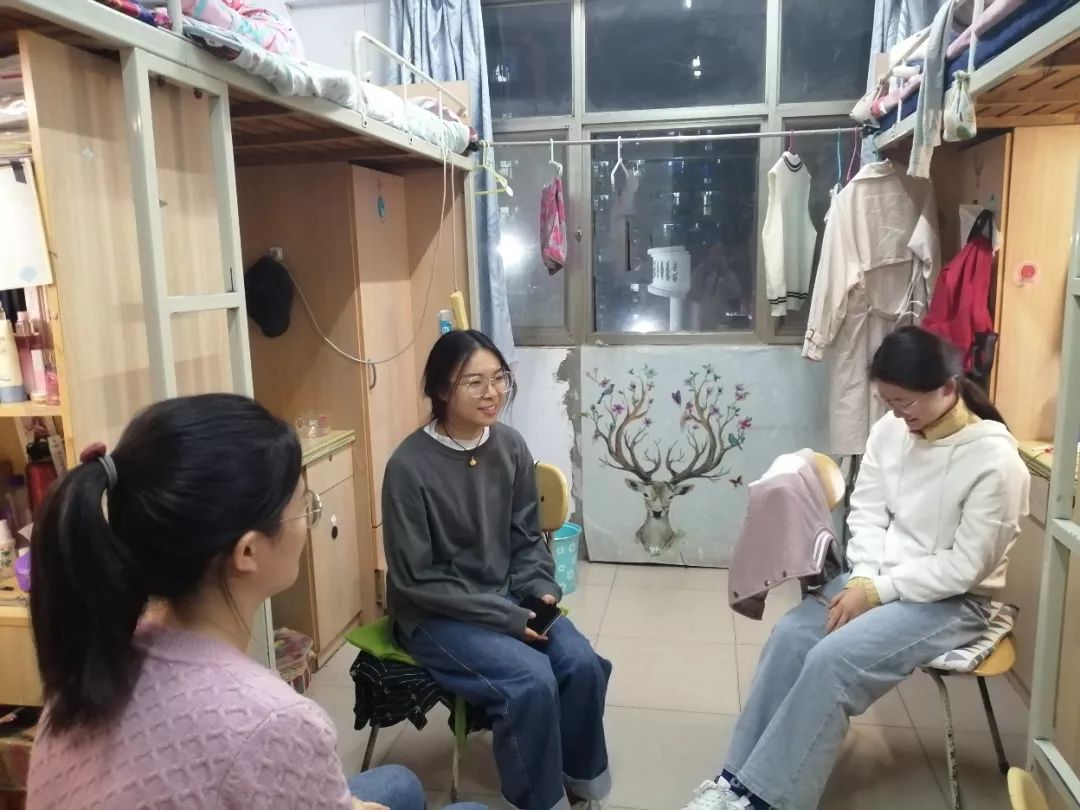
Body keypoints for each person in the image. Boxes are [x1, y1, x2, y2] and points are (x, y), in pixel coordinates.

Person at [26, 393, 486, 810]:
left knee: (399, 784)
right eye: (303, 507)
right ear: (247, 552)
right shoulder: (271, 722)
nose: (308, 523)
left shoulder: (89, 669)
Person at [681, 326, 1031, 810]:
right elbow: (867, 512)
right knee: (793, 637)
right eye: (889, 403)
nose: (898, 415)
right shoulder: (891, 430)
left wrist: (878, 591)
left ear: (948, 387)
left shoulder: (995, 461)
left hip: (952, 601)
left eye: (905, 402)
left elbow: (966, 566)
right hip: (879, 578)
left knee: (833, 659)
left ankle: (766, 799)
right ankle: (734, 780)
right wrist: (864, 577)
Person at [382, 330, 612, 810]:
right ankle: (540, 800)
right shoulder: (408, 466)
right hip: (436, 612)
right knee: (530, 680)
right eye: (474, 382)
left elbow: (525, 536)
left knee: (581, 664)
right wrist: (506, 618)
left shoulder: (509, 445)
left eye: (499, 378)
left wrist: (539, 587)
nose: (492, 393)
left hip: (505, 593)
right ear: (441, 389)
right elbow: (415, 579)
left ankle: (580, 782)